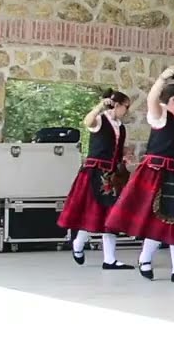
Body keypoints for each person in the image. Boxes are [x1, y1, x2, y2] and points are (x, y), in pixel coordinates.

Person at [104, 66, 174, 282]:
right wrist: (162, 78)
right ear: (173, 100)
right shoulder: (161, 115)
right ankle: (148, 259)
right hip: (160, 173)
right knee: (161, 220)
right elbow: (151, 99)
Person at [62, 89, 134, 269]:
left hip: (113, 175)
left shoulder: (120, 126)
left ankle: (109, 259)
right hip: (96, 172)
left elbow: (114, 146)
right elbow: (87, 122)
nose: (127, 110)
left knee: (110, 214)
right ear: (116, 105)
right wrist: (100, 106)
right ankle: (78, 243)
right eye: (126, 106)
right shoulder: (101, 119)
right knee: (94, 213)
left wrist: (124, 153)